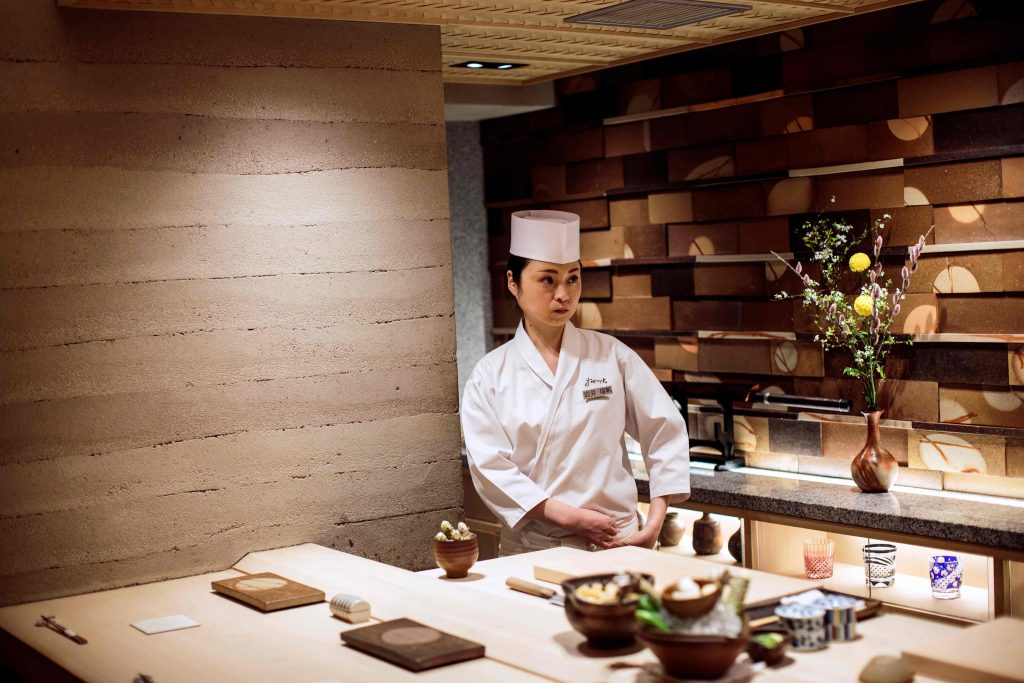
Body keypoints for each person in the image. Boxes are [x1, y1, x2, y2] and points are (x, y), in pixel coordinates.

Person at [461, 209, 691, 555]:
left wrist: (654, 524)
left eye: (573, 278)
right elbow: (490, 467)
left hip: (620, 543)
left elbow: (665, 430)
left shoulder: (611, 355)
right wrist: (569, 518)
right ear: (512, 282)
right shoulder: (491, 375)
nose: (563, 294)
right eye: (547, 279)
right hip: (534, 548)